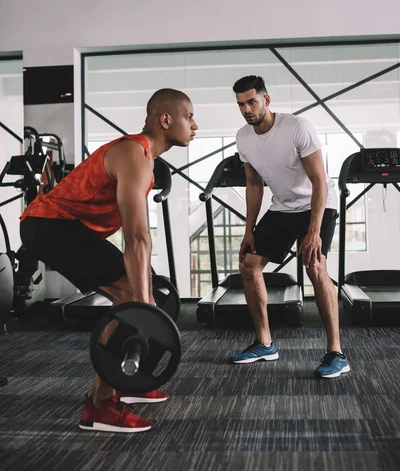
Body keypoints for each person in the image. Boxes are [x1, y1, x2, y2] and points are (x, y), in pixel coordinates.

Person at [20, 88, 198, 433]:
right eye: (188, 116)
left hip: (66, 229)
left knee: (146, 296)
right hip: (50, 226)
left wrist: (146, 295)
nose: (195, 124)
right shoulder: (134, 154)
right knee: (135, 301)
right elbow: (136, 236)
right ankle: (100, 406)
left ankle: (126, 382)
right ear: (166, 120)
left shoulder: (144, 157)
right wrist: (142, 303)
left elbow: (135, 238)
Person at [231, 75, 350, 378]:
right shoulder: (243, 137)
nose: (247, 109)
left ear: (266, 100)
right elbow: (254, 184)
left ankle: (336, 352)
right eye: (241, 104)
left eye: (251, 101)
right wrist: (249, 230)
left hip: (318, 203)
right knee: (249, 264)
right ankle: (264, 343)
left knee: (315, 266)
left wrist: (312, 233)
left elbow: (319, 181)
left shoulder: (297, 127)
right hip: (283, 207)